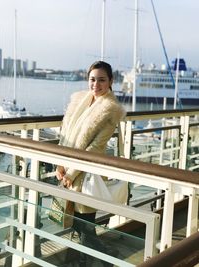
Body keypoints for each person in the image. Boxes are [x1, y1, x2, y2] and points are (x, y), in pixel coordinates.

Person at [56, 61, 126, 266]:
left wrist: (70, 173)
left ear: (111, 81)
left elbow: (94, 149)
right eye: (92, 79)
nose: (96, 84)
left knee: (84, 226)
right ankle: (91, 258)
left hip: (86, 174)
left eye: (102, 80)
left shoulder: (110, 109)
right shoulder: (80, 100)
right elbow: (65, 135)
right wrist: (59, 164)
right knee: (80, 226)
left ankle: (105, 261)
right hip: (69, 170)